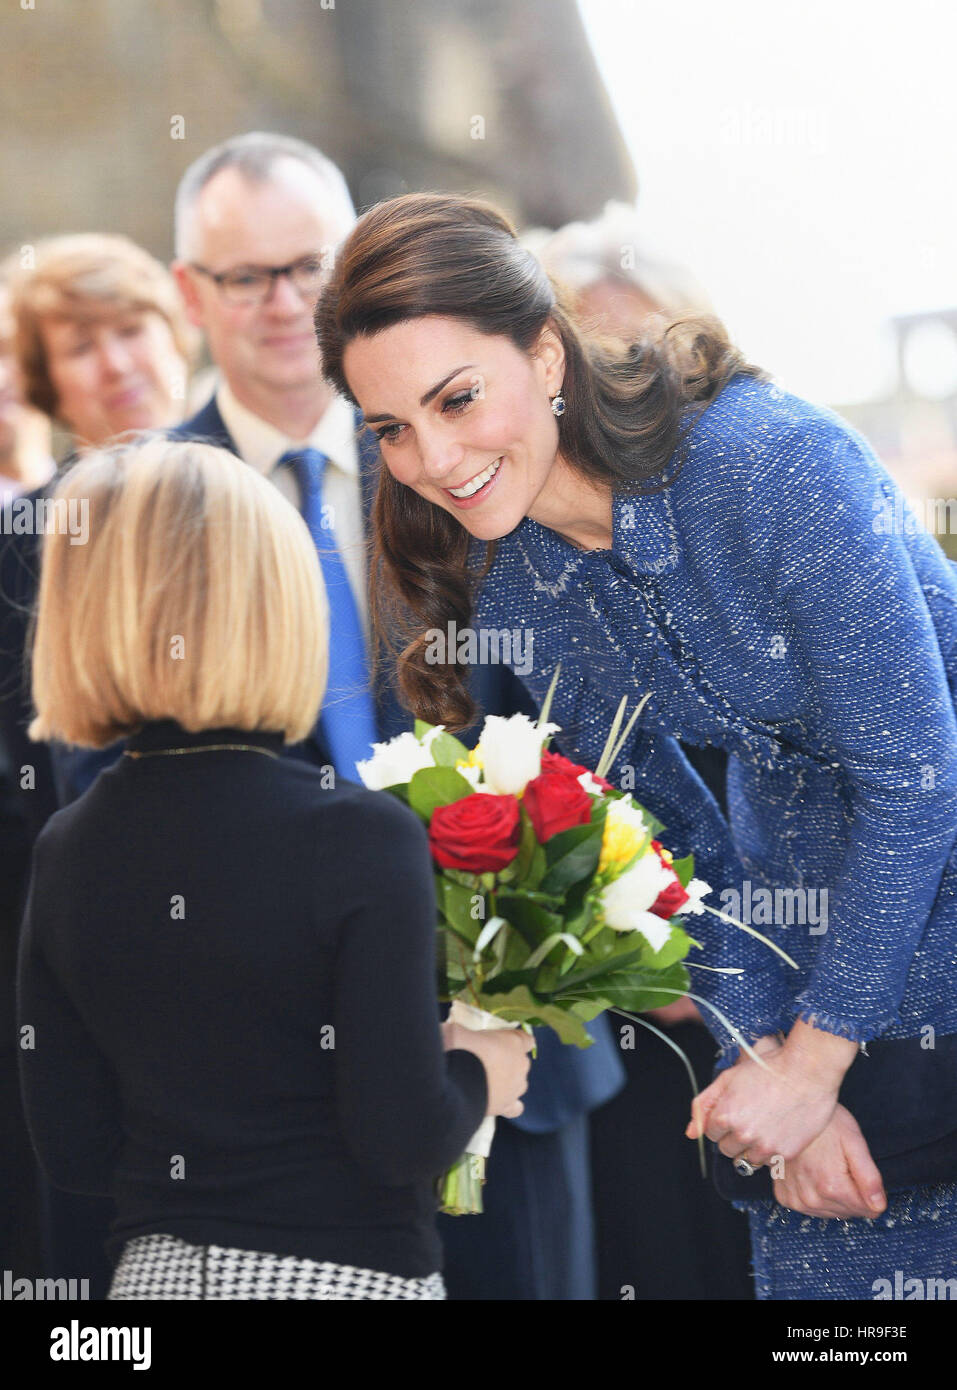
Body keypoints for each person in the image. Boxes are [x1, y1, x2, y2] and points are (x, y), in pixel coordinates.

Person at [313, 190, 957, 1300]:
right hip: (818, 981)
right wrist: (766, 1060)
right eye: (391, 429)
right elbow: (664, 842)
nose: (433, 457)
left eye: (457, 398)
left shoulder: (770, 463)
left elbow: (918, 777)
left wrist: (814, 1060)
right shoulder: (511, 563)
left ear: (548, 355)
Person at [48, 132, 625, 1301]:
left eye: (308, 263)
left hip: (511, 1051)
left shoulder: (483, 456)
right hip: (277, 1144)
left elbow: (584, 721)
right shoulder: (135, 503)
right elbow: (97, 785)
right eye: (242, 275)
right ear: (187, 292)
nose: (284, 302)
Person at [16, 435, 534, 1300]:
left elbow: (73, 1149)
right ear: (281, 605)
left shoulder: (68, 846)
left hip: (147, 1287)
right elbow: (400, 1136)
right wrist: (479, 1067)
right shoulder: (356, 836)